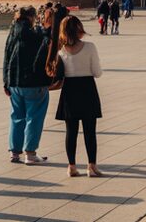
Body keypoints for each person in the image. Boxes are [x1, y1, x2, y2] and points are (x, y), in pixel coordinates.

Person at [48, 15, 103, 177]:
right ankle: (91, 166)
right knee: (89, 131)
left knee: (70, 131)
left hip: (69, 90)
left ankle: (71, 166)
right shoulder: (90, 47)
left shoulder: (60, 51)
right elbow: (97, 73)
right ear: (79, 29)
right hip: (87, 89)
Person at [3, 6, 50, 165]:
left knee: (16, 117)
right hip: (34, 82)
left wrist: (5, 81)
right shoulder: (35, 34)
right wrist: (48, 27)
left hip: (14, 83)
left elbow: (6, 57)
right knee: (34, 118)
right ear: (31, 17)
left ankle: (14, 152)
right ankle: (30, 153)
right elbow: (47, 44)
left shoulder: (12, 33)